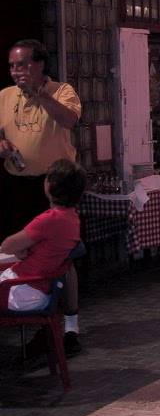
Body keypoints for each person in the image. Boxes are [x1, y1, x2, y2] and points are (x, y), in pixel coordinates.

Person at [2, 40, 84, 354]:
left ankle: (70, 326)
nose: (16, 72)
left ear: (39, 65)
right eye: (12, 66)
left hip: (55, 185)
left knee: (62, 258)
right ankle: (32, 318)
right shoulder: (5, 96)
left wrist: (40, 94)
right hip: (17, 183)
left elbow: (69, 120)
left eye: (22, 65)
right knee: (21, 251)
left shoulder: (61, 90)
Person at [0, 159, 85, 316]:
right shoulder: (72, 219)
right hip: (37, 289)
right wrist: (24, 250)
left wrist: (20, 248)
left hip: (23, 289)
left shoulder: (49, 220)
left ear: (50, 185)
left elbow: (6, 246)